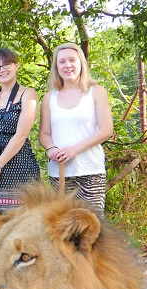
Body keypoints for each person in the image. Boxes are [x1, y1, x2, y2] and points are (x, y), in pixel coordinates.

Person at [38, 42, 113, 216]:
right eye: (62, 62)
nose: (67, 65)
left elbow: (106, 129)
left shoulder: (96, 92)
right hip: (60, 172)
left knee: (92, 225)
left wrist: (74, 150)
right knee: (63, 227)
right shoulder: (50, 97)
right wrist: (51, 148)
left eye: (72, 60)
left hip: (90, 170)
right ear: (56, 67)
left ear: (81, 63)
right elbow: (44, 134)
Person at [0, 48, 40, 213]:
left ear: (16, 65)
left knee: (18, 224)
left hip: (17, 164)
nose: (2, 69)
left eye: (6, 64)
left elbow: (21, 135)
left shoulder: (28, 93)